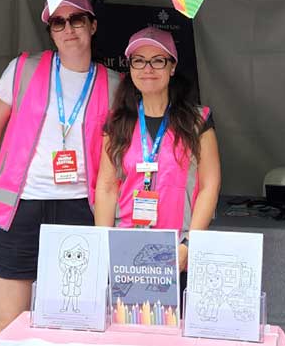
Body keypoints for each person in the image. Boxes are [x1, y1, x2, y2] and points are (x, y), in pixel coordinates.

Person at [0, 0, 120, 341]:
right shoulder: (22, 68)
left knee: (74, 319)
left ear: (93, 25)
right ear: (50, 30)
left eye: (76, 19)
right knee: (9, 319)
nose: (68, 29)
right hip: (19, 205)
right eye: (58, 22)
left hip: (81, 209)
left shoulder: (114, 84)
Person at [94, 27, 221, 277]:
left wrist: (190, 244)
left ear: (172, 67)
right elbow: (107, 186)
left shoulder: (198, 121)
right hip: (126, 247)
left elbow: (210, 185)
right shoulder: (117, 123)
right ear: (129, 68)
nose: (147, 69)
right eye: (139, 61)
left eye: (157, 61)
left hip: (176, 249)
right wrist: (103, 244)